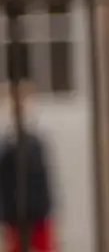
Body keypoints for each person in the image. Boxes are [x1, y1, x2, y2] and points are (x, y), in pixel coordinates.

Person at [0, 81, 57, 252]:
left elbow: (43, 178)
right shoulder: (7, 146)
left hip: (37, 212)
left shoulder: (36, 143)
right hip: (16, 215)